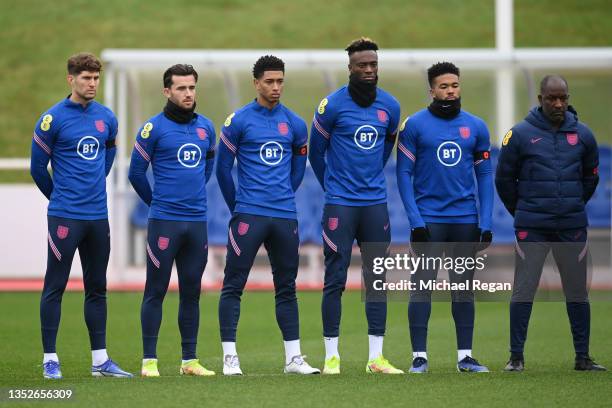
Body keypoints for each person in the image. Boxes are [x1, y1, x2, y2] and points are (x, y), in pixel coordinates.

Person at [30, 52, 132, 379]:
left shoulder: (106, 117)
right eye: (86, 78)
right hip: (65, 217)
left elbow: (112, 148)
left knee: (97, 287)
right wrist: (60, 197)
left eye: (96, 78)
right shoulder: (52, 119)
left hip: (97, 218)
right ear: (70, 79)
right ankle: (50, 359)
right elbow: (37, 168)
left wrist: (96, 179)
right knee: (55, 285)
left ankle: (100, 361)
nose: (92, 84)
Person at [216, 55, 319, 375]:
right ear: (256, 83)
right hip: (249, 215)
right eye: (270, 82)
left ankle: (294, 358)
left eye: (280, 81)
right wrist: (240, 207)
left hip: (284, 216)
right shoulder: (239, 121)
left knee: (287, 286)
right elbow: (222, 170)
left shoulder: (296, 124)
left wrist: (282, 196)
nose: (276, 87)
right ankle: (230, 358)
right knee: (234, 284)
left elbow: (299, 167)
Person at [496, 75, 606, 372]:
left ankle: (582, 357)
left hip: (571, 225)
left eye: (563, 98)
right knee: (524, 289)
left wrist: (570, 204)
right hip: (532, 225)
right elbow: (504, 180)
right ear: (540, 99)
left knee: (577, 292)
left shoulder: (583, 135)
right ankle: (516, 357)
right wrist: (522, 210)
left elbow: (590, 177)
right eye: (551, 98)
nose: (558, 104)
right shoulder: (519, 135)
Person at [309, 37, 403, 375]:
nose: (368, 70)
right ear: (350, 68)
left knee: (377, 278)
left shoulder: (390, 106)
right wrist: (332, 186)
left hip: (374, 205)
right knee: (335, 279)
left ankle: (376, 358)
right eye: (362, 65)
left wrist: (370, 176)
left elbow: (388, 143)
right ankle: (332, 357)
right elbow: (315, 152)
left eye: (373, 65)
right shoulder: (331, 106)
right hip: (341, 205)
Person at [396, 62, 494, 373]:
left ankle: (465, 357)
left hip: (465, 220)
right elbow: (403, 173)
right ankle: (419, 357)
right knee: (422, 284)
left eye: (454, 85)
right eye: (443, 86)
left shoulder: (476, 127)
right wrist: (415, 220)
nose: (450, 90)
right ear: (431, 90)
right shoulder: (414, 126)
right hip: (430, 220)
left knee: (463, 288)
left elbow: (486, 177)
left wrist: (486, 223)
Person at [128, 64, 216, 377]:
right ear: (167, 91)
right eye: (181, 88)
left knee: (192, 291)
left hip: (196, 223)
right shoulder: (153, 128)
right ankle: (149, 361)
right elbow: (135, 173)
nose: (188, 93)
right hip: (164, 222)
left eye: (192, 87)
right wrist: (158, 203)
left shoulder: (206, 127)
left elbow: (208, 166)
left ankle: (189, 361)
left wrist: (190, 198)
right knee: (156, 290)